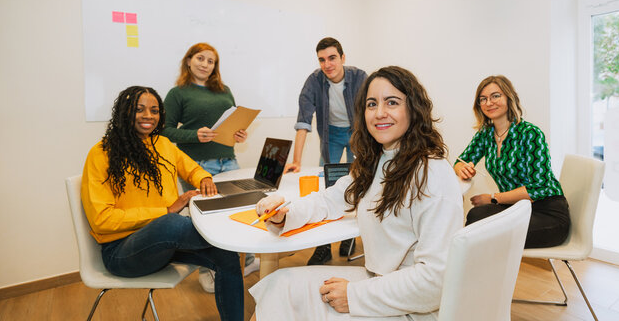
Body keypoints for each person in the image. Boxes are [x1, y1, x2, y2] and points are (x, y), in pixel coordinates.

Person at [249, 66, 463, 321]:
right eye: (371, 104)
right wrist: (285, 215)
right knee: (278, 285)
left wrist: (354, 296)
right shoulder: (377, 161)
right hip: (377, 282)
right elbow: (331, 199)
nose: (379, 113)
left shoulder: (433, 173)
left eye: (392, 102)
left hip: (412, 306)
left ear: (414, 109)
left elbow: (435, 282)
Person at [81, 86, 243, 321]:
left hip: (164, 245)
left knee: (225, 255)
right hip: (122, 253)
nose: (149, 115)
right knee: (171, 223)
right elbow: (102, 220)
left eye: (155, 110)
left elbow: (191, 167)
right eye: (140, 109)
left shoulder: (163, 144)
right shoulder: (101, 153)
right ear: (125, 112)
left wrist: (204, 177)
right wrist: (165, 211)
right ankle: (231, 229)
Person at [162, 42, 258, 291]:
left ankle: (246, 260)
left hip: (228, 160)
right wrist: (195, 135)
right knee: (206, 219)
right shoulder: (178, 93)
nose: (205, 64)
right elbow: (164, 130)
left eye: (211, 61)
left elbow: (234, 121)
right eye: (200, 59)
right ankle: (206, 271)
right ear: (189, 61)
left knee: (239, 212)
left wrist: (240, 134)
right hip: (197, 165)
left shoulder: (224, 90)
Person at [454, 75, 570, 248]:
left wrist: (493, 198)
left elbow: (537, 189)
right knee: (475, 215)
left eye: (495, 96)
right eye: (483, 99)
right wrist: (461, 168)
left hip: (547, 214)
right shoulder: (486, 134)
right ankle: (479, 271)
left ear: (509, 98)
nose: (489, 102)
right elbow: (460, 161)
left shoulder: (530, 133)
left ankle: (475, 271)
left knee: (478, 230)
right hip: (516, 209)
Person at [284, 37, 368, 265]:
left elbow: (371, 113)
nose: (327, 64)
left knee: (357, 184)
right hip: (330, 134)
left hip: (356, 133)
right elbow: (303, 121)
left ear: (342, 58)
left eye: (332, 58)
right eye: (322, 59)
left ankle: (349, 237)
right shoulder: (313, 81)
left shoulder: (360, 77)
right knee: (327, 188)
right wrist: (296, 161)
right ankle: (323, 247)